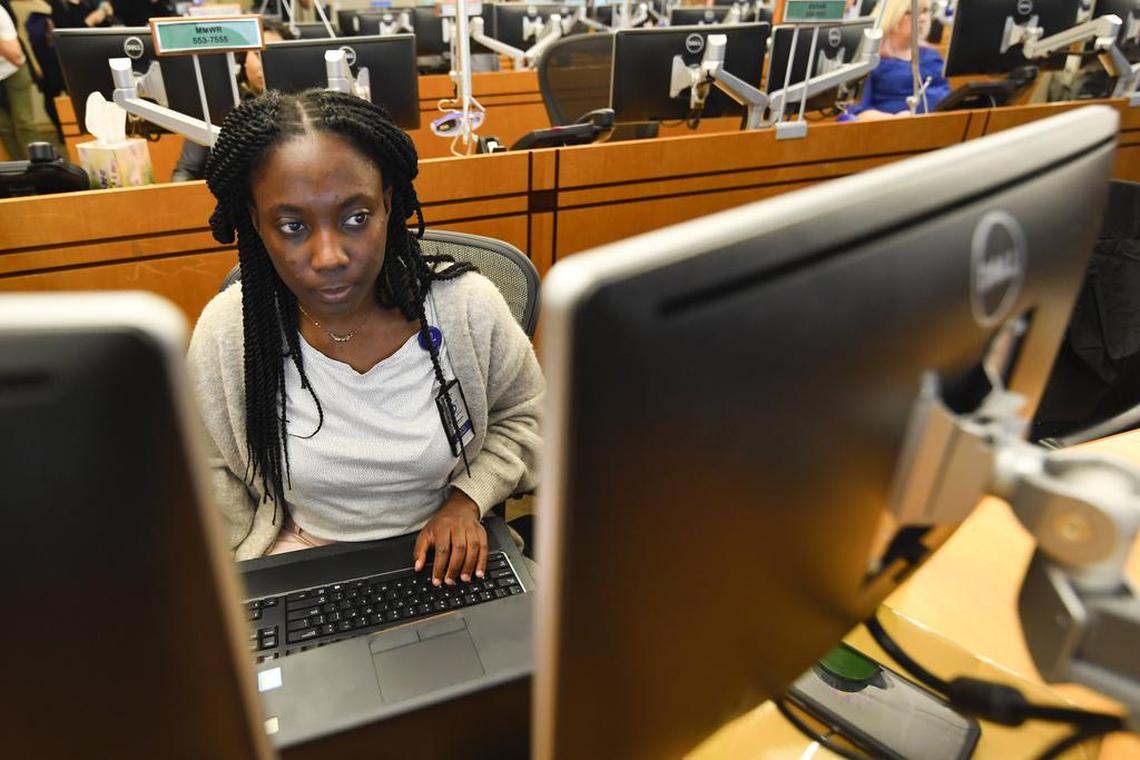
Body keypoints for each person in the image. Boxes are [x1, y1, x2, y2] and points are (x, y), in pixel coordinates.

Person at [187, 89, 543, 587]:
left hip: (448, 554)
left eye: (356, 217)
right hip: (295, 561)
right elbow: (208, 479)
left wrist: (468, 499)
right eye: (292, 226)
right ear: (255, 223)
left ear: (388, 204)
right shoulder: (230, 333)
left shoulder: (465, 307)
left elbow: (527, 417)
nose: (329, 255)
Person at [171, 22, 290, 182]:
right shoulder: (218, 101)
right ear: (243, 59)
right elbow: (186, 170)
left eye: (274, 56)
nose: (266, 63)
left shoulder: (300, 107)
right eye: (257, 54)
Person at [843, 0, 950, 120]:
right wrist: (893, 119)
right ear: (892, 16)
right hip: (891, 131)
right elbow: (856, 112)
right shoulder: (870, 60)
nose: (923, 18)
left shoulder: (931, 55)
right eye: (912, 12)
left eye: (925, 11)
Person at [0, 2, 36, 159]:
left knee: (24, 123)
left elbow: (15, 56)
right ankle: (19, 171)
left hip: (14, 71)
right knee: (4, 128)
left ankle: (41, 167)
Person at [50, 0, 114, 29]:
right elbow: (67, 36)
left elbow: (101, 28)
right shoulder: (58, 5)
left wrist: (108, 16)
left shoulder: (87, 4)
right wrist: (89, 21)